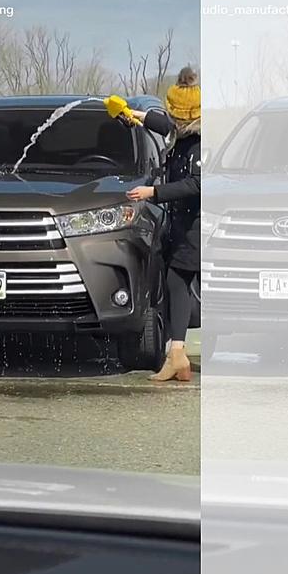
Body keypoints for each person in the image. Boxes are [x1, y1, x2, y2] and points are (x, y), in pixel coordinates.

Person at [116, 67, 201, 382]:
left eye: (174, 117)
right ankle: (177, 355)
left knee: (179, 281)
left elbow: (197, 184)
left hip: (198, 226)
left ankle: (178, 354)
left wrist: (154, 192)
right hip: (183, 224)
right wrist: (133, 115)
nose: (171, 122)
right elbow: (161, 122)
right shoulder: (183, 127)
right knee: (177, 281)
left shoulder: (199, 144)